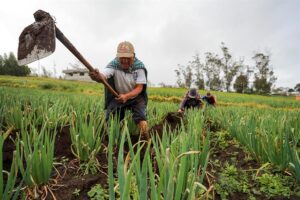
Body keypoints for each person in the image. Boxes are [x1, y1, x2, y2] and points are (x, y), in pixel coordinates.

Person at [89, 41, 149, 140]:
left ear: (133, 56)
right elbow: (103, 76)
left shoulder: (139, 67)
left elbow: (139, 88)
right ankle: (109, 139)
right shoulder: (114, 65)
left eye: (127, 58)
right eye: (122, 58)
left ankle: (146, 140)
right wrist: (96, 77)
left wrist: (126, 96)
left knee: (141, 117)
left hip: (136, 97)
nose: (125, 60)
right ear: (118, 57)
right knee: (110, 117)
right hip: (119, 96)